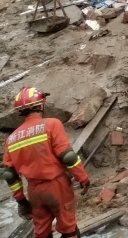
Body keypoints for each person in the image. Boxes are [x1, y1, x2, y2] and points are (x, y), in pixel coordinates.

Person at [3, 87, 90, 238]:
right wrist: (82, 178)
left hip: (34, 190)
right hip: (57, 185)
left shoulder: (11, 139)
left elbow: (9, 174)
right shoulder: (52, 124)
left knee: (42, 232)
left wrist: (21, 201)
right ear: (41, 104)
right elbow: (68, 157)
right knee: (69, 228)